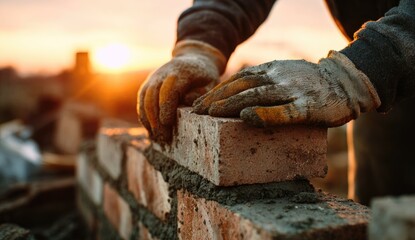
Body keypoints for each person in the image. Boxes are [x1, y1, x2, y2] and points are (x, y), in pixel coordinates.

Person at [138, 0, 415, 205]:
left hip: (381, 71)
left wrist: (362, 70)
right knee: (385, 216)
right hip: (386, 95)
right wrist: (200, 42)